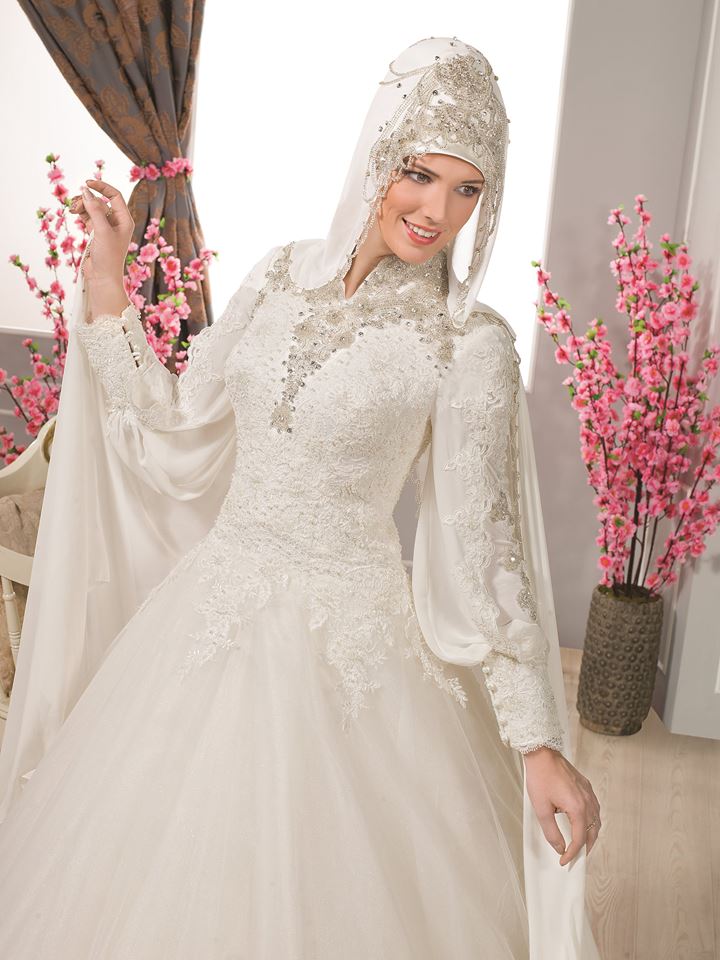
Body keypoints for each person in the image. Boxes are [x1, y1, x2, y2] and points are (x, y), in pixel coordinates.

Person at [0, 36, 602, 958]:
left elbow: (486, 550)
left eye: (467, 189)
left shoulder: (467, 343)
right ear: (378, 153)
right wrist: (107, 278)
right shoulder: (280, 274)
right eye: (419, 174)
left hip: (352, 649)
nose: (436, 211)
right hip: (214, 611)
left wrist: (537, 743)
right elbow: (173, 414)